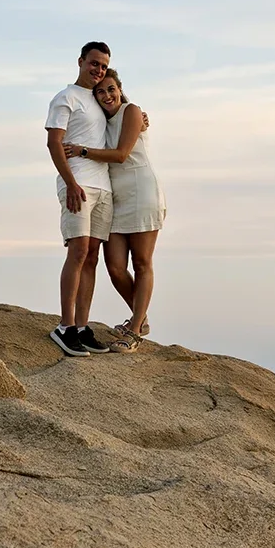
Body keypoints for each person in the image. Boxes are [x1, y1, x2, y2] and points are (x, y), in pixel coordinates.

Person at [65, 68, 165, 353]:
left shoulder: (132, 112)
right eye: (100, 91)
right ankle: (140, 318)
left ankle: (134, 331)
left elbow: (121, 155)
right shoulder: (101, 122)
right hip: (116, 197)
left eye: (111, 89)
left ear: (120, 90)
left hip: (142, 191)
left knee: (142, 263)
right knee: (116, 267)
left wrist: (82, 151)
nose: (107, 95)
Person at [44, 41, 118, 357]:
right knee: (78, 251)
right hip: (78, 184)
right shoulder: (65, 98)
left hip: (103, 187)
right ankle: (65, 326)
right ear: (81, 61)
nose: (98, 70)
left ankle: (83, 327)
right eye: (94, 63)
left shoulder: (99, 99)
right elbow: (53, 143)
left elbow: (121, 114)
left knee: (92, 257)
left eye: (103, 65)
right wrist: (71, 183)